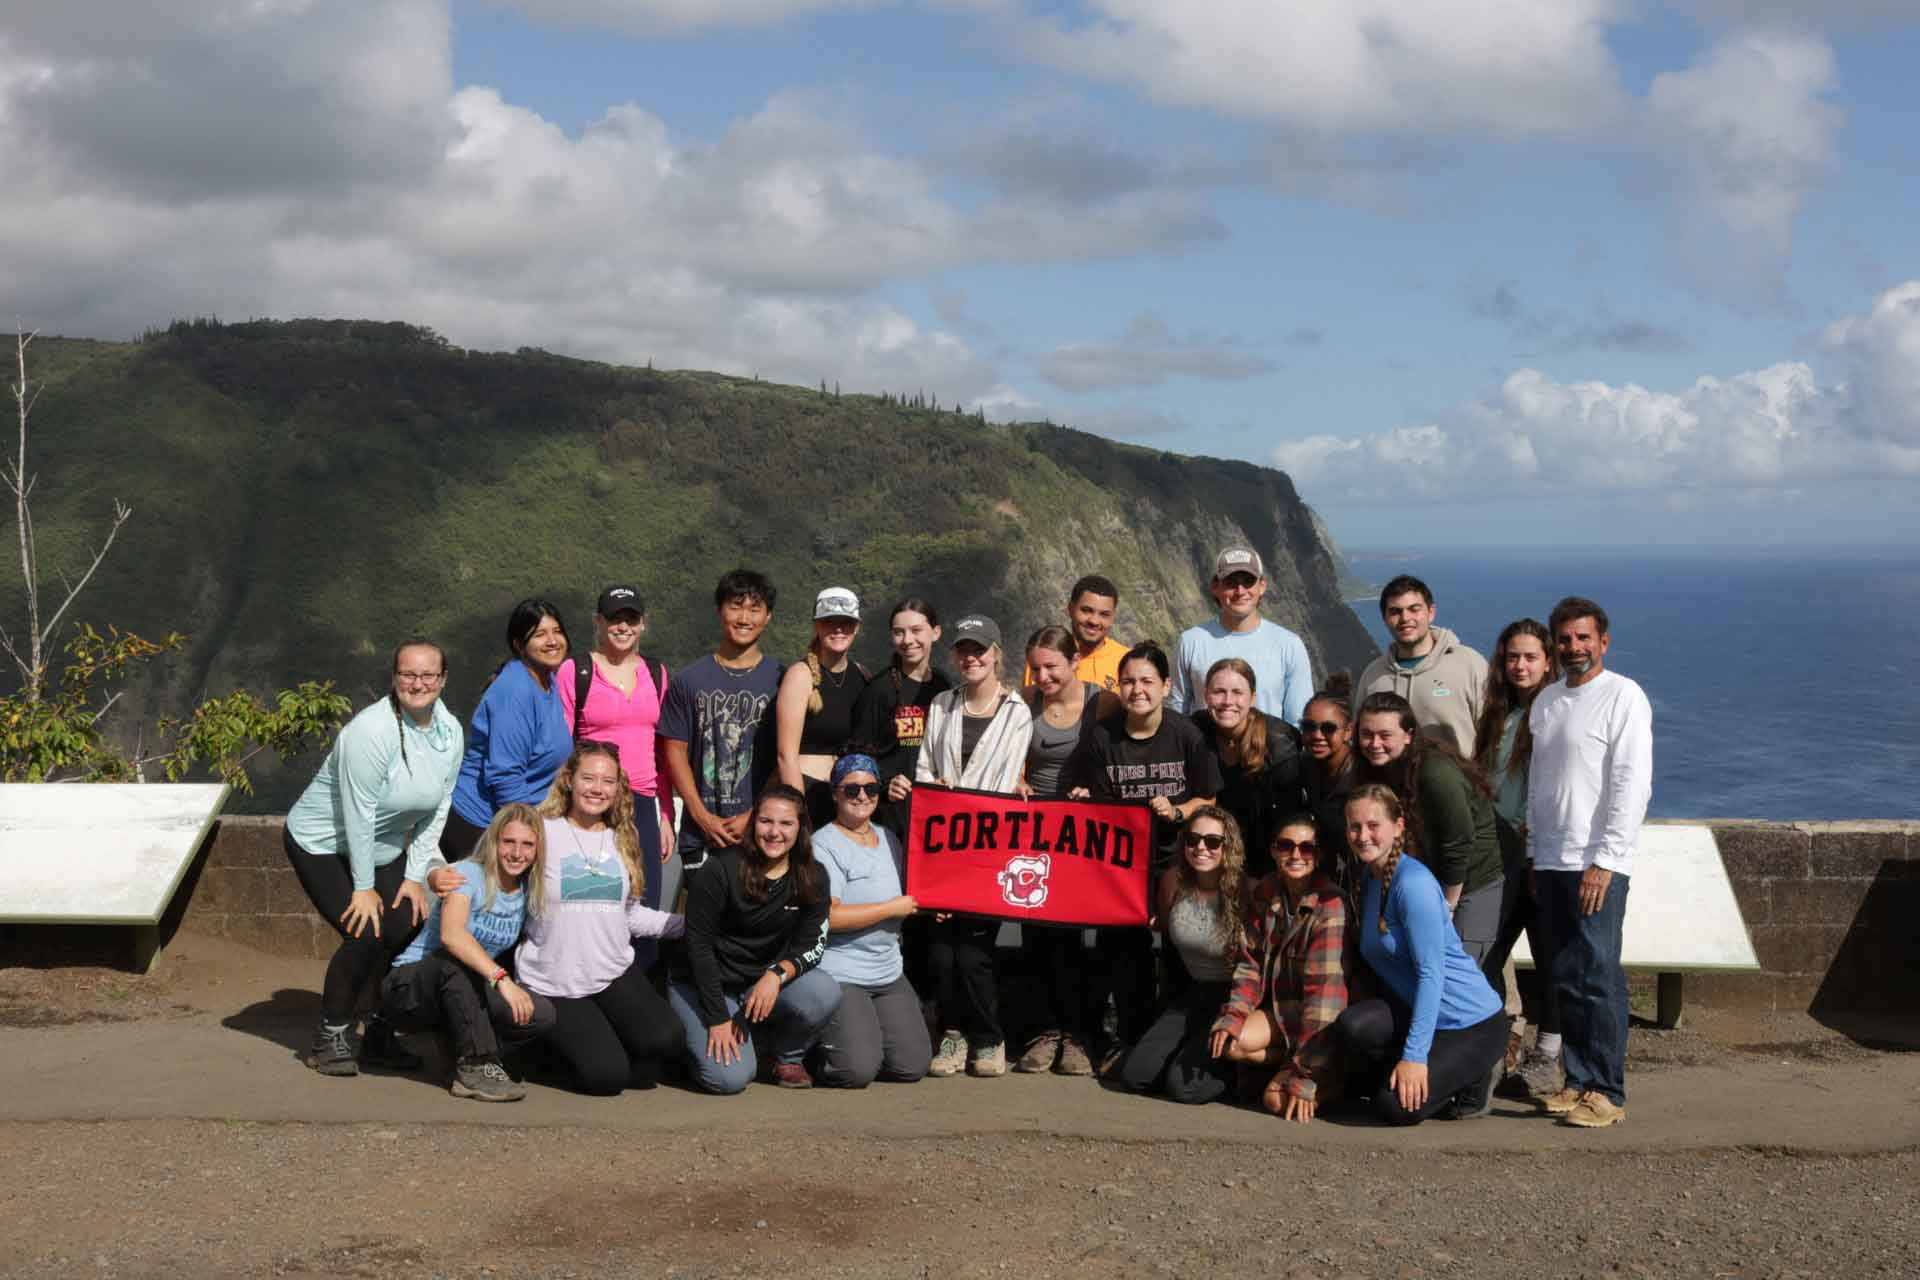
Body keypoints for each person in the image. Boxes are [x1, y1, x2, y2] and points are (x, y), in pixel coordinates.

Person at [285, 640, 462, 1076]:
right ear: (394, 678)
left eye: (427, 676)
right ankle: (331, 1036)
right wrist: (363, 888)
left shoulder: (449, 731)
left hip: (382, 845)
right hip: (323, 841)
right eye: (407, 674)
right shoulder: (370, 732)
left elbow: (439, 806)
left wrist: (415, 876)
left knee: (405, 921)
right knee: (364, 933)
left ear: (442, 680)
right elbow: (357, 814)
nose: (417, 684)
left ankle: (380, 1033)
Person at [1527, 597, 1652, 1130]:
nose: (1573, 647)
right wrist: (1535, 852)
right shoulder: (1547, 701)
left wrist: (1606, 860)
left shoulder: (1623, 696)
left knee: (1598, 975)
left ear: (1604, 641)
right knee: (1565, 975)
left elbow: (1631, 783)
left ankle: (1607, 1090)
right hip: (1552, 859)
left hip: (1595, 862)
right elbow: (1539, 785)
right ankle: (1576, 1081)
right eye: (1565, 638)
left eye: (1584, 638)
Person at [1072, 642, 1223, 1069]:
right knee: (1122, 950)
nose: (1137, 690)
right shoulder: (1102, 737)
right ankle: (1129, 1036)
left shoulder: (1186, 734)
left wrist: (1177, 811)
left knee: (1179, 948)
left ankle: (1176, 1036)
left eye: (1147, 681)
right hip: (1121, 864)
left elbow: (1206, 797)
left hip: (1177, 860)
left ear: (1166, 686)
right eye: (1129, 682)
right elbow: (1099, 806)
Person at [509, 741, 685, 1095]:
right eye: (588, 778)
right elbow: (493, 868)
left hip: (610, 972)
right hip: (554, 980)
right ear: (569, 780)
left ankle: (596, 1035)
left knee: (666, 1042)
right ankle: (541, 1047)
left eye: (607, 781)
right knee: (607, 1078)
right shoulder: (541, 829)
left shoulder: (623, 837)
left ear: (619, 788)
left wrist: (682, 926)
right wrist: (439, 876)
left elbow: (630, 915)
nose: (597, 789)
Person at [1331, 784, 1507, 1125]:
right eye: (1354, 826)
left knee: (1394, 1108)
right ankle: (1423, 1073)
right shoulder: (1369, 877)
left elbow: (1431, 975)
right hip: (1417, 1012)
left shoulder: (1412, 883)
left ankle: (1474, 1079)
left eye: (1373, 825)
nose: (1363, 835)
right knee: (1353, 1028)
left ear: (1398, 828)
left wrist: (1414, 1057)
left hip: (1469, 1024)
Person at [911, 614, 1034, 1079]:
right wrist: (935, 787)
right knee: (942, 949)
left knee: (975, 950)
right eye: (964, 649)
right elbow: (925, 765)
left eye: (980, 649)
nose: (971, 658)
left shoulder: (1017, 712)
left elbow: (1006, 778)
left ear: (997, 653)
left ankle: (989, 1038)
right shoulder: (942, 704)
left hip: (988, 847)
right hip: (943, 845)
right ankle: (953, 1035)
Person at [669, 783, 842, 1093]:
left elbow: (813, 946)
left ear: (800, 827)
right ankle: (689, 1045)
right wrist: (717, 1018)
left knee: (823, 990)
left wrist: (776, 974)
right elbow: (698, 947)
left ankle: (786, 1057)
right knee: (729, 1079)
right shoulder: (720, 868)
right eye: (766, 821)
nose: (775, 832)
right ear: (753, 823)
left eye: (786, 823)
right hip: (703, 983)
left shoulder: (813, 875)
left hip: (759, 983)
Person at [380, 804, 557, 1102]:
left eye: (527, 844)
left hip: (462, 993)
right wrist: (503, 980)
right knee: (454, 963)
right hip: (410, 988)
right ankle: (477, 1066)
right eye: (508, 842)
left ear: (538, 850)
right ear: (494, 841)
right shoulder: (467, 874)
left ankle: (463, 1052)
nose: (517, 853)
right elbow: (452, 935)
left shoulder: (527, 890)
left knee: (541, 1014)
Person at [1012, 625, 1116, 1076]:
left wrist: (1095, 790)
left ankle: (1080, 1033)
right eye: (1036, 667)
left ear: (1075, 662)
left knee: (1079, 936)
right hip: (1034, 832)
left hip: (1083, 834)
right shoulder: (1025, 700)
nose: (1043, 675)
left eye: (1052, 666)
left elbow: (1119, 752)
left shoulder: (1102, 702)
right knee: (1036, 932)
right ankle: (1045, 1029)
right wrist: (1015, 777)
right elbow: (1011, 752)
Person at [1209, 814, 1352, 1123]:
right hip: (1284, 1011)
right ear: (1274, 851)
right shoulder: (1267, 890)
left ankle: (1331, 1076)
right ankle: (1289, 1065)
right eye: (1286, 846)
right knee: (1231, 1041)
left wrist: (1304, 1075)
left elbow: (1324, 1000)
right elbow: (1250, 965)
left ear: (1319, 855)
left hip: (1323, 1024)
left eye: (1306, 848)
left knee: (1274, 1101)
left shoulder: (1330, 905)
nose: (1296, 855)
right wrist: (1234, 1014)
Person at [1474, 619, 1564, 1100]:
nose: (1520, 665)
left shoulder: (1554, 714)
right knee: (1486, 954)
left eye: (1530, 657)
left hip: (1542, 854)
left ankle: (1547, 1056)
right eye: (1512, 657)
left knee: (1549, 958)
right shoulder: (1499, 715)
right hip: (1498, 853)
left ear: (1547, 661)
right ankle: (1495, 1045)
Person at [1354, 692, 1504, 978]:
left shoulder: (1435, 772)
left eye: (1385, 735)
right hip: (1426, 880)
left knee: (1456, 972)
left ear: (1409, 735)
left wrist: (1446, 906)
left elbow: (1458, 841)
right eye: (1366, 734)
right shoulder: (1377, 771)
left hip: (1470, 882)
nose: (1374, 744)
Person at [556, 584, 676, 939]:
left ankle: (641, 980)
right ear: (598, 621)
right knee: (593, 899)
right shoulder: (575, 672)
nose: (623, 627)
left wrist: (665, 815)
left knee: (645, 899)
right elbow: (562, 748)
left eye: (631, 619)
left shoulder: (656, 674)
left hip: (642, 801)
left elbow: (663, 751)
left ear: (643, 625)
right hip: (593, 802)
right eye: (614, 619)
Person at [659, 569, 782, 896]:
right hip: (700, 838)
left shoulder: (781, 680)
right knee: (703, 934)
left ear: (768, 617)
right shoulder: (689, 680)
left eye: (755, 609)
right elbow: (674, 752)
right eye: (735, 606)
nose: (744, 618)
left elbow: (785, 757)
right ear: (719, 611)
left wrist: (754, 815)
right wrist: (702, 817)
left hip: (761, 836)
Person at [810, 754, 931, 1088]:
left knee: (912, 1067)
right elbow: (828, 917)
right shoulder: (824, 844)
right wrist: (890, 909)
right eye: (851, 789)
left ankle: (864, 1039)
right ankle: (812, 1051)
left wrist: (932, 906)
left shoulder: (889, 838)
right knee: (856, 1071)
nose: (862, 796)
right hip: (842, 973)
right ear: (835, 793)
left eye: (871, 788)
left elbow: (911, 896)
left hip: (888, 971)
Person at [1118, 807, 1246, 1104]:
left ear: (1230, 846)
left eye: (1213, 841)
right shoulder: (1173, 882)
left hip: (1234, 995)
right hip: (1194, 993)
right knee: (1136, 1075)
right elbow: (1164, 933)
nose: (1201, 847)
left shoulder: (1247, 891)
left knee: (1184, 1088)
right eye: (1193, 839)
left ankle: (1244, 1074)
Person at [442, 600, 573, 859]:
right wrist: (531, 834)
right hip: (482, 825)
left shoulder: (548, 679)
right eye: (539, 634)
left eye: (557, 631)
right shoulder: (516, 691)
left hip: (520, 818)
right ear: (518, 645)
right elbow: (505, 776)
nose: (552, 641)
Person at [1168, 546, 1313, 725]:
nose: (1240, 591)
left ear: (1262, 586)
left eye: (1248, 581)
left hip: (1268, 752)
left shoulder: (1289, 645)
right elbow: (1177, 714)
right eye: (1230, 582)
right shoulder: (1190, 642)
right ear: (1215, 587)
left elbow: (1298, 721)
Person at [1189, 657, 1306, 878]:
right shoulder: (1196, 731)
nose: (1227, 701)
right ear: (1205, 695)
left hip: (1265, 861)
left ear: (1252, 698)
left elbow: (1289, 819)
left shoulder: (1278, 744)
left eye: (1237, 693)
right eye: (1219, 691)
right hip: (1211, 854)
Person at [848, 597, 949, 847]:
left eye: (916, 631)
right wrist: (883, 784)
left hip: (935, 811)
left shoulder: (943, 686)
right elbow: (856, 755)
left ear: (935, 633)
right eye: (899, 632)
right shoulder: (880, 690)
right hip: (891, 815)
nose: (907, 640)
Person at [1353, 575, 1489, 755]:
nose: (1405, 618)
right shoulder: (1373, 675)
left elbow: (1493, 734)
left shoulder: (1469, 664)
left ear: (1431, 612)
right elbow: (1360, 736)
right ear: (1385, 618)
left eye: (1414, 609)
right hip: (1389, 782)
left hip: (1459, 781)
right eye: (1395, 611)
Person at [775, 586, 870, 831]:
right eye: (830, 622)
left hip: (850, 798)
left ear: (857, 627)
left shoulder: (862, 675)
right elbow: (786, 755)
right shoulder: (800, 675)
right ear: (817, 626)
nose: (838, 629)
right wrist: (799, 811)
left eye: (846, 623)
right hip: (809, 792)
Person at [1300, 675, 1359, 899]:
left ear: (1348, 731)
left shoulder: (1361, 777)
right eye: (1308, 727)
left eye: (1328, 728)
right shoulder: (1306, 765)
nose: (1317, 736)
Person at [1019, 574, 1129, 692]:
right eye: (1086, 611)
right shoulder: (1043, 658)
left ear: (1113, 617)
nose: (1094, 621)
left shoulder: (1126, 661)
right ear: (1070, 609)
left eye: (1104, 614)